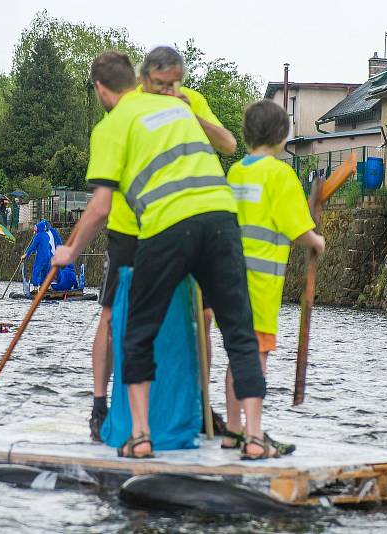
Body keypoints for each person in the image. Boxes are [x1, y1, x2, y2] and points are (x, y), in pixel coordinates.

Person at [54, 50, 276, 460]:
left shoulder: (114, 124)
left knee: (138, 331)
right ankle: (255, 438)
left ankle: (140, 436)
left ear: (103, 90)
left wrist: (69, 250)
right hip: (220, 218)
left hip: (165, 226)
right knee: (240, 335)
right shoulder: (180, 110)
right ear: (144, 81)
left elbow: (101, 205)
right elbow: (224, 144)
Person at [221, 100, 325, 452]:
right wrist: (318, 242)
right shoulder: (280, 175)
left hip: (228, 281)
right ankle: (254, 436)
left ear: (246, 135)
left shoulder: (235, 174)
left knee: (237, 354)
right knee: (256, 357)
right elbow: (298, 228)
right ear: (283, 136)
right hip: (261, 286)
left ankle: (232, 429)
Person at [22, 220, 57, 289]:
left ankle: (35, 287)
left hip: (41, 256)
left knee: (36, 271)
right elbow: (45, 245)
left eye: (36, 227)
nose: (34, 228)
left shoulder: (38, 236)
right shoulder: (47, 235)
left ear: (39, 227)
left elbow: (33, 246)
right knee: (45, 272)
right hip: (48, 257)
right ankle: (44, 286)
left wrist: (26, 255)